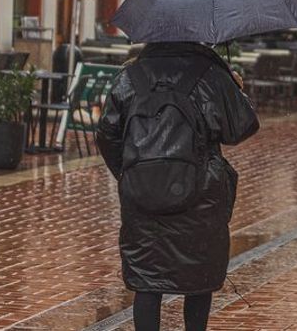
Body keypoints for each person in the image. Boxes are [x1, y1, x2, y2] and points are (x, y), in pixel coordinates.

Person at [97, 41, 259, 331]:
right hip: (201, 194)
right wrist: (236, 91)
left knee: (147, 279)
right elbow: (241, 128)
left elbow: (107, 133)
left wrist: (130, 173)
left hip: (142, 195)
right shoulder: (211, 74)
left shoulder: (130, 76)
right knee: (198, 278)